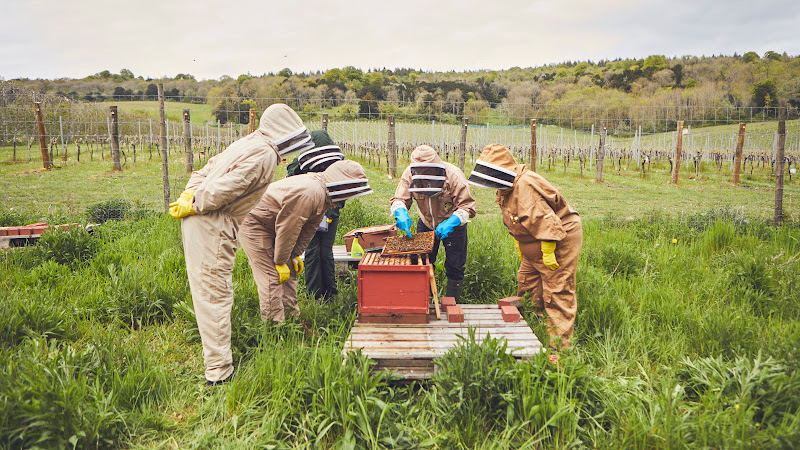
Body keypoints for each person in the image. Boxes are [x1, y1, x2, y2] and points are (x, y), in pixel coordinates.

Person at [168, 103, 314, 386]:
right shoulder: (265, 154)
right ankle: (219, 373)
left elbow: (207, 168)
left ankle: (216, 363)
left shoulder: (248, 142)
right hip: (213, 219)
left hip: (200, 218)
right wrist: (196, 202)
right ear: (287, 134)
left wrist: (189, 195)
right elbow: (227, 188)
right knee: (215, 295)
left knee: (207, 293)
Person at [467, 144, 582, 349]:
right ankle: (533, 323)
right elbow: (517, 217)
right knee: (528, 283)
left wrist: (548, 250)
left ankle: (559, 346)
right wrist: (521, 244)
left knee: (557, 289)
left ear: (501, 170)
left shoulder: (524, 186)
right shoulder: (507, 186)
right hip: (534, 240)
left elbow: (545, 221)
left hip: (556, 239)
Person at [239, 160, 372, 322]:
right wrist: (280, 260)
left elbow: (309, 229)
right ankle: (275, 327)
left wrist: (294, 254)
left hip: (273, 220)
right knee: (271, 276)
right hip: (254, 221)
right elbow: (289, 228)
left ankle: (292, 321)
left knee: (289, 272)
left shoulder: (323, 194)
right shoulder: (310, 193)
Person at [390, 145, 476, 301]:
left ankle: (452, 302)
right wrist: (400, 211)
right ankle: (424, 300)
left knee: (455, 266)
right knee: (423, 263)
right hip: (426, 223)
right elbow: (400, 198)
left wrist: (452, 221)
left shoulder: (453, 175)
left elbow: (467, 206)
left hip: (453, 225)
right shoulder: (409, 174)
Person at [286, 130, 346, 302]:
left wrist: (332, 210)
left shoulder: (335, 164)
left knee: (320, 251)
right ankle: (319, 294)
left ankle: (323, 294)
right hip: (311, 212)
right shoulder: (302, 162)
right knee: (318, 251)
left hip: (324, 212)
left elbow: (344, 189)